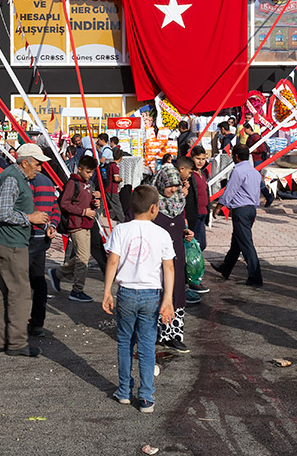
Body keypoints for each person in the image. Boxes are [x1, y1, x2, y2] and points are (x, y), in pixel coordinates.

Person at [101, 185, 175, 414]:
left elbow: (112, 262)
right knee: (146, 345)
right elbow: (169, 267)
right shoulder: (162, 233)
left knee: (124, 342)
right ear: (155, 208)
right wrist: (168, 299)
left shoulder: (121, 230)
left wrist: (106, 291)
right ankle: (145, 397)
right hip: (151, 294)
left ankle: (124, 391)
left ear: (131, 207)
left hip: (126, 292)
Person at [0, 143, 50, 356]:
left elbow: (11, 209)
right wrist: (30, 218)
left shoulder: (16, 177)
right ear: (24, 162)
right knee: (20, 293)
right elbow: (4, 213)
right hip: (11, 243)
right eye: (37, 164)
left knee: (7, 291)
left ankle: (1, 339)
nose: (40, 168)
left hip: (10, 241)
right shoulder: (12, 178)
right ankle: (16, 344)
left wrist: (40, 219)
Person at [152, 164, 193, 354]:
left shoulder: (178, 201)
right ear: (161, 183)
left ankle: (173, 334)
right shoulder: (151, 203)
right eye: (170, 185)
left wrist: (185, 231)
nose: (173, 189)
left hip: (176, 256)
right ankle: (153, 333)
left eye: (176, 185)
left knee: (176, 293)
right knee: (157, 293)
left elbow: (180, 222)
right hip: (155, 259)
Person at [50, 154, 100, 302]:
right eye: (88, 172)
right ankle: (77, 290)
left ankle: (57, 273)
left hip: (86, 224)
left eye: (92, 173)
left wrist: (94, 203)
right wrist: (83, 211)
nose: (90, 175)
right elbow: (64, 204)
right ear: (80, 169)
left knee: (82, 256)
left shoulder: (88, 184)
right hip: (76, 223)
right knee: (83, 258)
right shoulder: (72, 183)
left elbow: (85, 200)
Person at [215, 145, 264, 287]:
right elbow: (256, 194)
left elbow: (230, 190)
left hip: (241, 210)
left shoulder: (237, 171)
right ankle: (226, 268)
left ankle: (255, 277)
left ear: (235, 156)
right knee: (237, 241)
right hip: (250, 209)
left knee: (246, 244)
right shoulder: (255, 172)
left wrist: (219, 205)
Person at [28, 168, 60, 337]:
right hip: (42, 238)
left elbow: (24, 209)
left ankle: (15, 325)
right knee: (38, 280)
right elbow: (56, 209)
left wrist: (47, 224)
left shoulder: (28, 182)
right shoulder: (47, 182)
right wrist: (52, 226)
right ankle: (37, 323)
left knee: (21, 282)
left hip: (28, 237)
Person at [186, 146, 210, 294]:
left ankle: (193, 278)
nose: (200, 162)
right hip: (193, 216)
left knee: (200, 246)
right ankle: (193, 281)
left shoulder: (202, 174)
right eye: (198, 159)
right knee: (194, 250)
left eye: (203, 159)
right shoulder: (190, 176)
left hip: (203, 214)